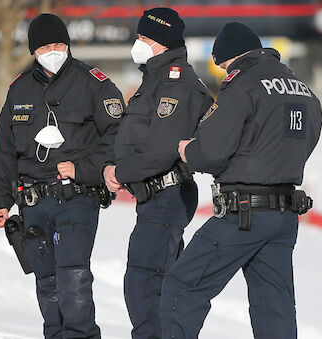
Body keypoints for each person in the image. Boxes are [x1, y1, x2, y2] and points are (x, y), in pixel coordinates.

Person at [160, 22, 322, 338]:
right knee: (272, 306)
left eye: (222, 65)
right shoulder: (301, 88)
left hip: (243, 214)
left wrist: (188, 149)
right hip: (285, 215)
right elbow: (307, 138)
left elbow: (212, 151)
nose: (222, 72)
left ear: (230, 57)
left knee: (182, 286)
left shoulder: (243, 84)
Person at [0, 13, 124, 339]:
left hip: (76, 197)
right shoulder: (18, 89)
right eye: (47, 46)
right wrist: (0, 199)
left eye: (60, 44)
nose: (54, 50)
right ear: (34, 50)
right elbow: (5, 150)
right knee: (47, 284)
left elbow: (120, 136)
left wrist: (86, 169)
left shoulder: (94, 83)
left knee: (72, 279)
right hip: (33, 202)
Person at [103, 8, 214, 339]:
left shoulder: (177, 84)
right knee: (157, 283)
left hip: (167, 194)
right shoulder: (155, 79)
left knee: (144, 283)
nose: (138, 44)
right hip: (154, 197)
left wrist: (120, 172)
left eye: (144, 39)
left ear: (163, 43)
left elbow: (161, 148)